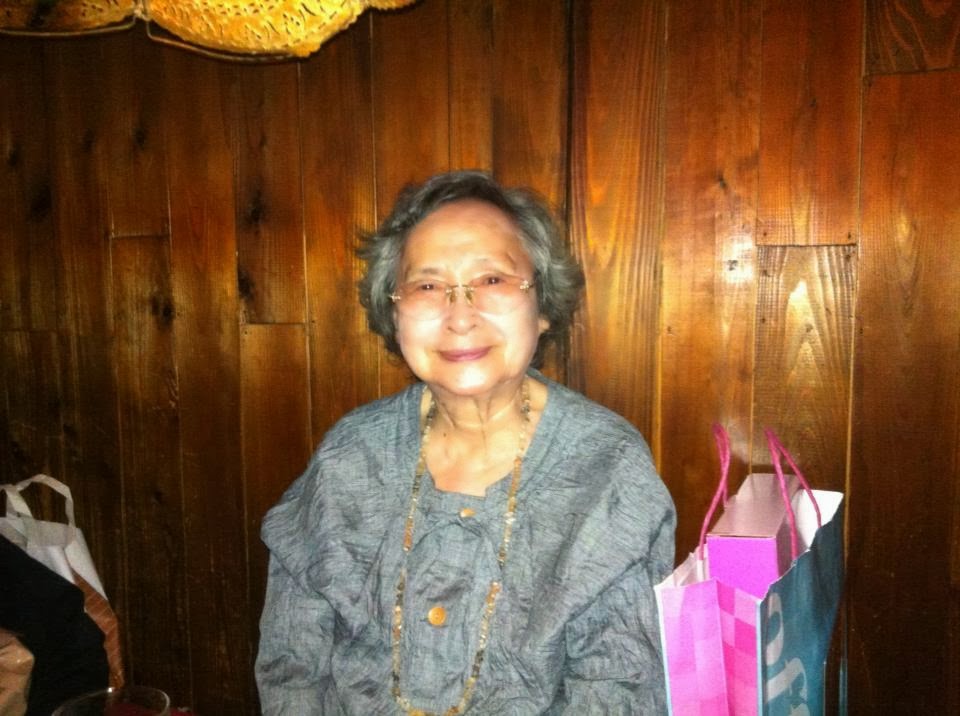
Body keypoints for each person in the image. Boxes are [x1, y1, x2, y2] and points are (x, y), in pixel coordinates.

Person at [255, 170, 676, 714]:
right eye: (428, 286)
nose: (459, 316)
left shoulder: (605, 464)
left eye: (492, 280)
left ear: (543, 306)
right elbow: (293, 668)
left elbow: (617, 687)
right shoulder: (350, 456)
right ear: (394, 312)